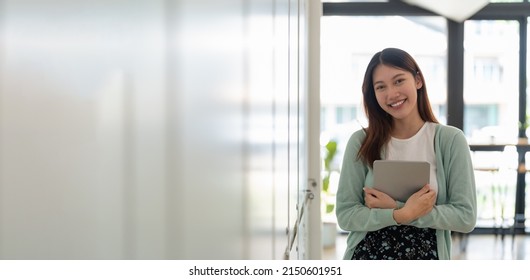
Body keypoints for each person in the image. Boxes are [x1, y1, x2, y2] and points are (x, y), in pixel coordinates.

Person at [335, 47, 477, 260]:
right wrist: (401, 214)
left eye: (399, 81)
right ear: (373, 94)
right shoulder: (361, 142)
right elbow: (346, 215)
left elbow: (465, 217)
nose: (392, 94)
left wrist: (399, 209)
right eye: (381, 87)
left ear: (418, 80)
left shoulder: (450, 141)